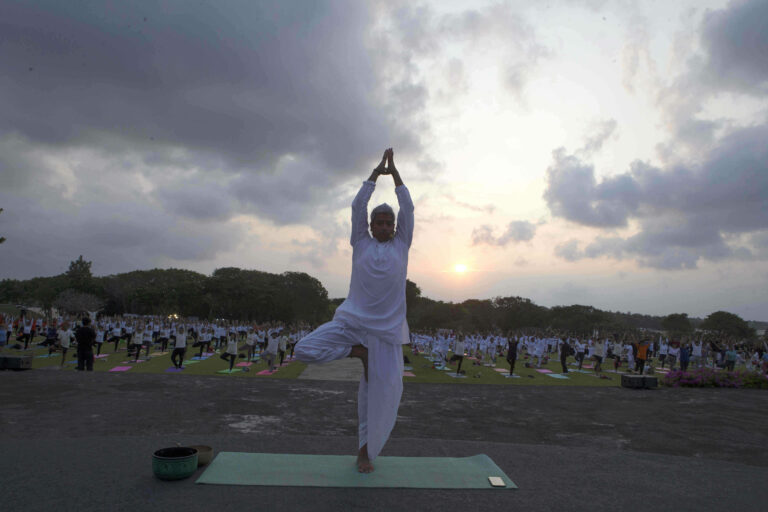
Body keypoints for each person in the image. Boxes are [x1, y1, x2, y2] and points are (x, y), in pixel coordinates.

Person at [295, 148, 413, 474]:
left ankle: (365, 452)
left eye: (390, 221)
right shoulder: (360, 241)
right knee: (303, 349)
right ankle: (354, 352)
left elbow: (409, 208)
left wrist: (397, 175)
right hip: (352, 322)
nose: (386, 224)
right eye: (380, 221)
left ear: (395, 227)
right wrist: (376, 173)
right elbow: (357, 205)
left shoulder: (402, 244)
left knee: (381, 399)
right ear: (371, 226)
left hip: (386, 335)